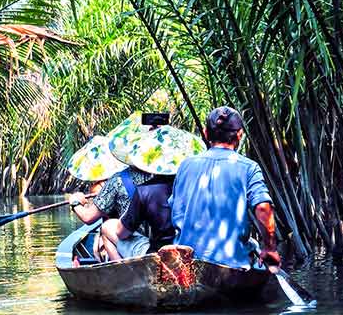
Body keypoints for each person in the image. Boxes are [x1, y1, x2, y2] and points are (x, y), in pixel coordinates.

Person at [169, 106, 280, 269]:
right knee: (256, 249)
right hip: (232, 266)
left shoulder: (185, 166)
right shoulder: (248, 167)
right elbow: (263, 209)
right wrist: (270, 249)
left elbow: (174, 209)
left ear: (206, 134)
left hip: (187, 264)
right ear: (240, 134)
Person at [100, 174, 174, 260]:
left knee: (106, 227)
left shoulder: (146, 189)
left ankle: (123, 272)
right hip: (187, 250)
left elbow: (121, 233)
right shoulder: (189, 184)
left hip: (159, 255)